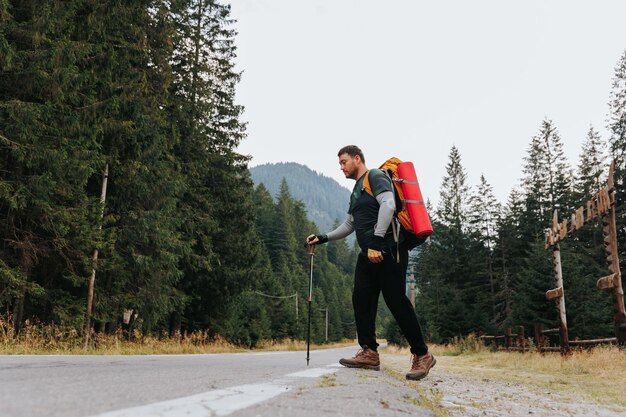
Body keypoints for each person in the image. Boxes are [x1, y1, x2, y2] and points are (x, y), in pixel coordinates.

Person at [306, 145, 435, 380]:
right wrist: (323, 237)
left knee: (396, 301)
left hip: (388, 248)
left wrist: (376, 241)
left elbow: (388, 205)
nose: (342, 168)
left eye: (344, 162)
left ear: (357, 158)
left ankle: (422, 354)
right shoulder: (356, 190)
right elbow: (349, 225)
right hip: (368, 253)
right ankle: (369, 352)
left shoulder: (375, 176)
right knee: (361, 298)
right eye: (340, 164)